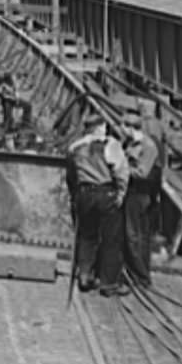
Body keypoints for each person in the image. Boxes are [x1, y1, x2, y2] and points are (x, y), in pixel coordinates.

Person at [66, 113, 130, 297]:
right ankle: (108, 283)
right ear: (101, 127)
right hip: (105, 193)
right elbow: (121, 171)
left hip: (84, 194)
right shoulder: (110, 145)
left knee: (87, 236)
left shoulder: (74, 148)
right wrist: (121, 194)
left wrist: (75, 196)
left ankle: (84, 276)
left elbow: (71, 176)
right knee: (111, 238)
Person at [122, 116, 162, 288]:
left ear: (130, 127)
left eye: (123, 126)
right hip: (130, 192)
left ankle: (142, 276)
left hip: (140, 194)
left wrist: (121, 169)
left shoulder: (148, 146)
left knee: (134, 236)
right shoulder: (130, 143)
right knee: (133, 235)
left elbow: (143, 172)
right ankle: (134, 272)